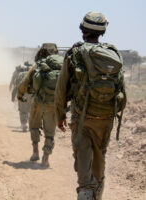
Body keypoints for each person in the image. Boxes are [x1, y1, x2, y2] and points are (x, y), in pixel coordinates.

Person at [54, 12, 126, 200]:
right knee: (100, 157)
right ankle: (98, 193)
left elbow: (61, 88)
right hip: (106, 117)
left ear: (82, 30)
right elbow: (121, 88)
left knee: (84, 166)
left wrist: (60, 115)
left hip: (82, 117)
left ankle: (87, 190)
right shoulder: (112, 54)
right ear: (102, 32)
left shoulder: (75, 53)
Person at [18, 43, 63, 167]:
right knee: (50, 131)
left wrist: (19, 95)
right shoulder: (62, 67)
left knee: (33, 125)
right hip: (53, 103)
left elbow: (24, 83)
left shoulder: (38, 65)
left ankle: (35, 152)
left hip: (38, 101)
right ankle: (45, 158)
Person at [11, 64, 32, 132]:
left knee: (23, 110)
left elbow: (16, 87)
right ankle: (31, 124)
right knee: (30, 110)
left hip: (22, 95)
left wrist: (13, 96)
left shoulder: (19, 75)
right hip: (31, 95)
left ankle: (24, 124)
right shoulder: (33, 75)